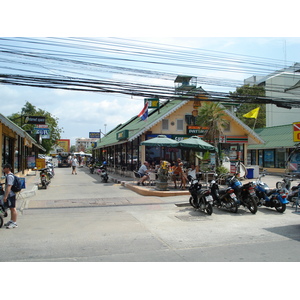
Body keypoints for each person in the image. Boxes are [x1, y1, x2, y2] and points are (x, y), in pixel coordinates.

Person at [2, 164, 18, 229]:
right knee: (11, 208)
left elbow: (9, 186)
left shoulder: (10, 176)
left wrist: (5, 196)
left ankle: (14, 223)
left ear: (8, 168)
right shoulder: (8, 176)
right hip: (10, 194)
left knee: (13, 208)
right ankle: (12, 220)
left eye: (4, 168)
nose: (3, 169)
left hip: (10, 195)